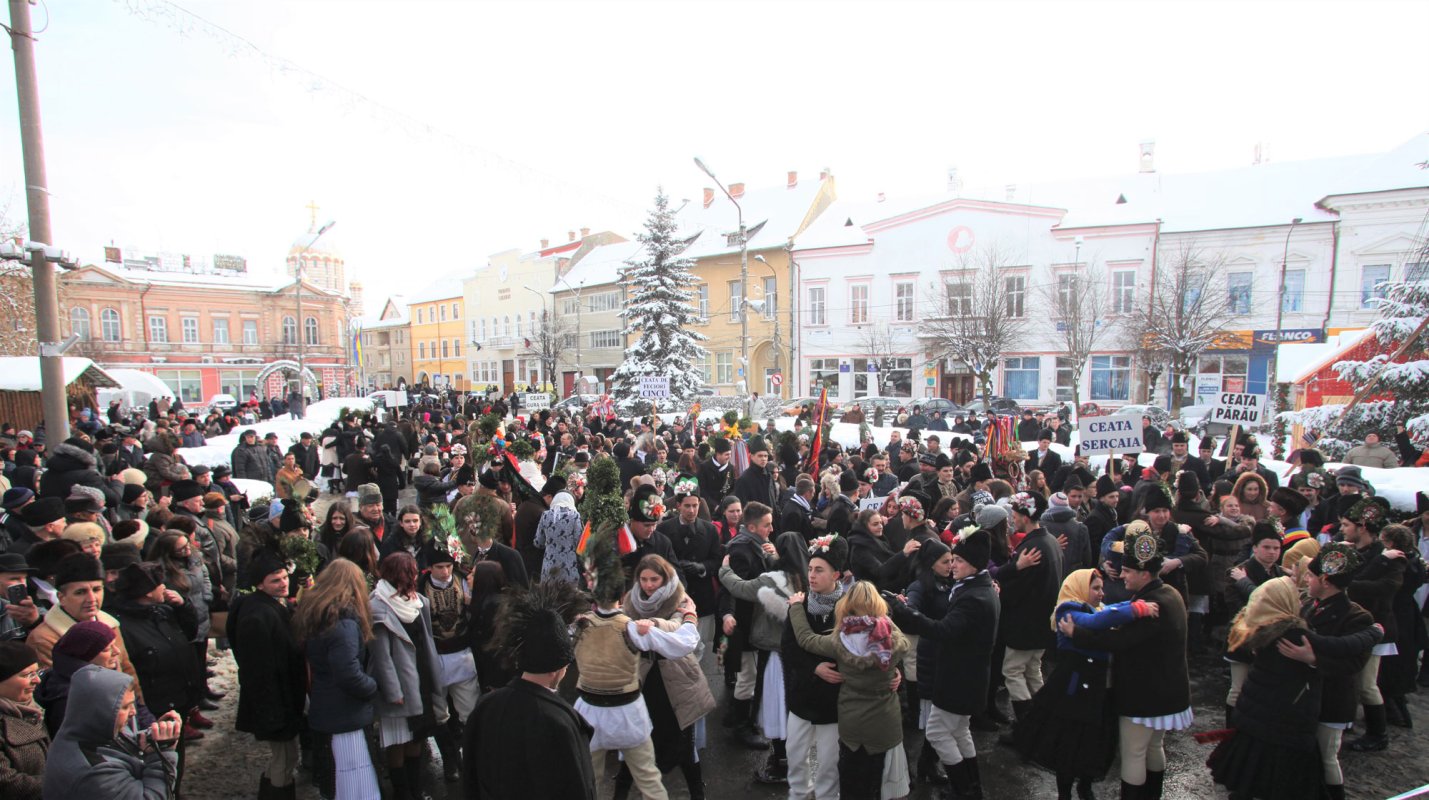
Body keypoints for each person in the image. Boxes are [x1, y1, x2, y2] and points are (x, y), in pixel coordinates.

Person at [1060, 524, 1191, 800]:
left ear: (1144, 573)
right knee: (1154, 748)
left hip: (1145, 693)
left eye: (1128, 572)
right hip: (1169, 689)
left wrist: (1077, 633)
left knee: (1134, 753)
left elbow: (1119, 642)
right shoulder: (1169, 594)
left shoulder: (1152, 604)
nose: (1122, 576)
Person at [1013, 568, 1159, 800]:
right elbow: (1096, 621)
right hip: (1073, 691)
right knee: (1069, 746)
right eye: (1095, 588)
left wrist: (1129, 605)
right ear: (1079, 588)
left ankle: (1085, 787)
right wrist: (1135, 608)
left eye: (1101, 588)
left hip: (1095, 690)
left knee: (1093, 744)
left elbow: (1107, 611)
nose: (1101, 593)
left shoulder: (1094, 608)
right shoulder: (1067, 610)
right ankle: (1066, 793)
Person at [886, 530, 998, 799]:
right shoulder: (977, 588)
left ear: (972, 564)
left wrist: (902, 611)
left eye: (957, 560)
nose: (953, 566)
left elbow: (943, 630)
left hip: (958, 679)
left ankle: (963, 789)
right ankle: (973, 787)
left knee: (937, 733)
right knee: (959, 731)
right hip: (968, 677)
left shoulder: (973, 597)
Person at [463, 580, 596, 800]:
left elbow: (471, 776)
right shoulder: (560, 722)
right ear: (560, 667)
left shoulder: (485, 706)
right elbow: (579, 788)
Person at [787, 579, 911, 800]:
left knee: (853, 786)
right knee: (880, 785)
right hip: (885, 725)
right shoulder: (893, 642)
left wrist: (796, 607)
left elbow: (806, 639)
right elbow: (904, 642)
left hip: (852, 725)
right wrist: (882, 620)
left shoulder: (840, 641)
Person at [1208, 577, 1324, 800]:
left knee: (1250, 774)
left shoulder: (1261, 627)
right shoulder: (1293, 635)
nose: (1301, 601)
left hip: (1255, 716)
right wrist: (1373, 633)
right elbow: (1338, 651)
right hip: (1284, 723)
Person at [620, 555, 712, 798]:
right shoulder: (631, 598)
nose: (649, 585)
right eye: (644, 579)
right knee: (638, 740)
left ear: (665, 578)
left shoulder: (680, 598)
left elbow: (678, 625)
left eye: (654, 579)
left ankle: (697, 792)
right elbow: (623, 625)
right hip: (643, 678)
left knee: (683, 743)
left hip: (675, 677)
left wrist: (651, 623)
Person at [1297, 542, 1384, 800]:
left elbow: (1353, 664)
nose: (1306, 580)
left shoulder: (1357, 617)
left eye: (1311, 576)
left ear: (1325, 580)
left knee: (1327, 757)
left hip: (1333, 699)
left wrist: (1313, 659)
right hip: (1307, 696)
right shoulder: (1309, 604)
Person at [719, 533, 806, 786]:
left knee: (775, 708)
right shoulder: (803, 578)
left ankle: (781, 765)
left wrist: (724, 570)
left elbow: (739, 587)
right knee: (790, 710)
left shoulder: (771, 579)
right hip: (795, 654)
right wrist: (772, 557)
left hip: (773, 653)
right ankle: (789, 761)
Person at [293, 559, 382, 800]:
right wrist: (372, 686)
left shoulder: (320, 615)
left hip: (327, 708)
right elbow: (348, 673)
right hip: (345, 717)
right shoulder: (343, 624)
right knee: (354, 783)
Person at [228, 550, 307, 798]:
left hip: (282, 700)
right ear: (260, 584)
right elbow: (259, 672)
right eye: (276, 580)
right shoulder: (257, 616)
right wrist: (273, 714)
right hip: (275, 704)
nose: (283, 583)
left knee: (286, 757)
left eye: (284, 578)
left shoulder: (269, 605)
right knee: (284, 760)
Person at [370, 551, 447, 799]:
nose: (416, 575)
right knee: (397, 741)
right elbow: (381, 655)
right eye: (411, 572)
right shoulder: (378, 606)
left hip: (420, 678)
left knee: (417, 736)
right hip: (400, 685)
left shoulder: (418, 602)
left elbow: (427, 642)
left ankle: (417, 788)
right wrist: (393, 691)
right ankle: (403, 793)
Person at [43, 665, 181, 799]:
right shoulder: (95, 772)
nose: (133, 712)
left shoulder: (92, 729)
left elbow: (119, 747)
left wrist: (153, 737)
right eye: (126, 707)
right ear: (100, 711)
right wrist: (162, 754)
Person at [783, 534, 851, 800]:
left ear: (836, 574)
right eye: (810, 569)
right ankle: (798, 793)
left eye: (819, 570)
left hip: (833, 701)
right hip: (802, 695)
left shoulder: (849, 608)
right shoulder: (798, 606)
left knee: (828, 759)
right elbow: (788, 648)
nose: (811, 575)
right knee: (795, 753)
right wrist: (814, 668)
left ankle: (826, 796)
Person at [1340, 496, 1403, 752]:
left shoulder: (1389, 557)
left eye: (1346, 524)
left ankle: (1378, 733)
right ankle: (1346, 722)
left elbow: (1383, 588)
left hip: (1375, 627)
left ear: (1362, 527)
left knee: (1366, 685)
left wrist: (1349, 584)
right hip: (1352, 626)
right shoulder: (1355, 551)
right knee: (1351, 680)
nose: (1342, 529)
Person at [997, 492, 1063, 734]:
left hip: (1025, 623)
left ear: (1025, 515)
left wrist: (1004, 579)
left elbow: (1019, 587)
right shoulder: (1050, 540)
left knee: (1013, 671)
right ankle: (1044, 719)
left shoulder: (1033, 546)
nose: (1013, 519)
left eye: (1015, 514)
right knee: (1032, 670)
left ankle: (1028, 727)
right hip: (1042, 622)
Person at [418, 536, 481, 785]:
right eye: (439, 567)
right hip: (435, 657)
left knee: (469, 711)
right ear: (430, 568)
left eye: (447, 566)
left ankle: (471, 758)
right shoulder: (420, 586)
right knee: (439, 715)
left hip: (462, 655)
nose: (445, 572)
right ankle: (450, 760)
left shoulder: (463, 582)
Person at [0, 641, 47, 795]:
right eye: (28, 675)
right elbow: (7, 782)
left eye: (37, 673)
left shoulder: (34, 709)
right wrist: (59, 783)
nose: (37, 680)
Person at [534, 490, 584, 585]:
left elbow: (538, 542)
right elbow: (579, 543)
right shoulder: (575, 516)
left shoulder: (545, 515)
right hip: (570, 567)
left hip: (549, 567)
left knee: (549, 597)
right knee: (569, 598)